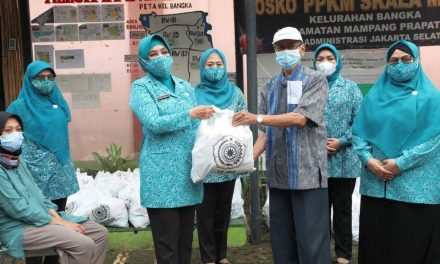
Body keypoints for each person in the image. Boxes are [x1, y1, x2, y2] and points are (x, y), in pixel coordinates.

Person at [233, 27, 330, 264]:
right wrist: (242, 163)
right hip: (278, 178)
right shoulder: (270, 86)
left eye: (291, 45)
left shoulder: (316, 80)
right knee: (282, 243)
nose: (286, 51)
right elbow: (265, 135)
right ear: (274, 51)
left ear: (302, 48)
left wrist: (255, 118)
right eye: (280, 47)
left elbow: (300, 118)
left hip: (307, 176)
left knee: (311, 244)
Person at [352, 40, 440, 264]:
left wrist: (401, 163)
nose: (399, 65)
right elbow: (359, 133)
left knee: (410, 246)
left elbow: (433, 140)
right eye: (393, 61)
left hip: (416, 189)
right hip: (376, 185)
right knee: (378, 245)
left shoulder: (432, 98)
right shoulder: (374, 96)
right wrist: (369, 160)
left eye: (406, 59)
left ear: (416, 61)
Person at [129, 34, 214, 264]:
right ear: (144, 61)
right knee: (167, 246)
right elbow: (154, 123)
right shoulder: (141, 87)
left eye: (164, 52)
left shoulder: (185, 86)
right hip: (161, 178)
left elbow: (198, 126)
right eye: (153, 54)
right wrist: (190, 114)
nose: (161, 57)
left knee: (185, 242)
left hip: (188, 174)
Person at [0, 111, 108, 264]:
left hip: (40, 219)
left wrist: (57, 218)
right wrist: (60, 223)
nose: (15, 134)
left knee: (99, 233)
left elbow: (37, 194)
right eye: (8, 130)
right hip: (17, 228)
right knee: (83, 244)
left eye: (18, 129)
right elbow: (17, 208)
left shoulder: (17, 160)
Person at [7, 61, 80, 264]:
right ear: (29, 80)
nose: (46, 82)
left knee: (59, 225)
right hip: (32, 176)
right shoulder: (17, 107)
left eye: (50, 77)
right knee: (36, 226)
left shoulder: (56, 101)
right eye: (41, 78)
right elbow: (11, 140)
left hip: (59, 175)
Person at [194, 48, 247, 264]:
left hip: (227, 163)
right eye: (210, 65)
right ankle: (208, 257)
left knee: (223, 213)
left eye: (218, 65)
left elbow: (244, 119)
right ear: (202, 68)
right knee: (205, 215)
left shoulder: (235, 93)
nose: (215, 69)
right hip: (205, 166)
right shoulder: (193, 94)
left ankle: (221, 255)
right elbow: (190, 124)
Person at [313, 43, 362, 264]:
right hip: (315, 160)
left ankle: (343, 254)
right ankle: (320, 252)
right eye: (320, 58)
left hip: (344, 161)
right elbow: (301, 120)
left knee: (342, 210)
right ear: (314, 62)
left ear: (337, 61)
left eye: (329, 58)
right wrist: (319, 143)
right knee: (318, 211)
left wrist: (341, 141)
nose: (325, 62)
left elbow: (361, 124)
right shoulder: (309, 87)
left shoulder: (350, 88)